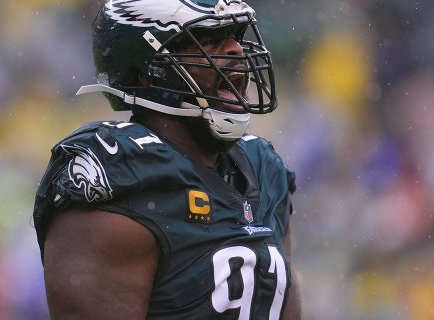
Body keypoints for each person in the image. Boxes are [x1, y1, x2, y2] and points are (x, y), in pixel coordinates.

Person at [32, 0, 302, 319]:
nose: (236, 51)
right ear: (148, 74)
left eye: (234, 36)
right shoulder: (122, 173)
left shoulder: (263, 167)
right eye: (208, 39)